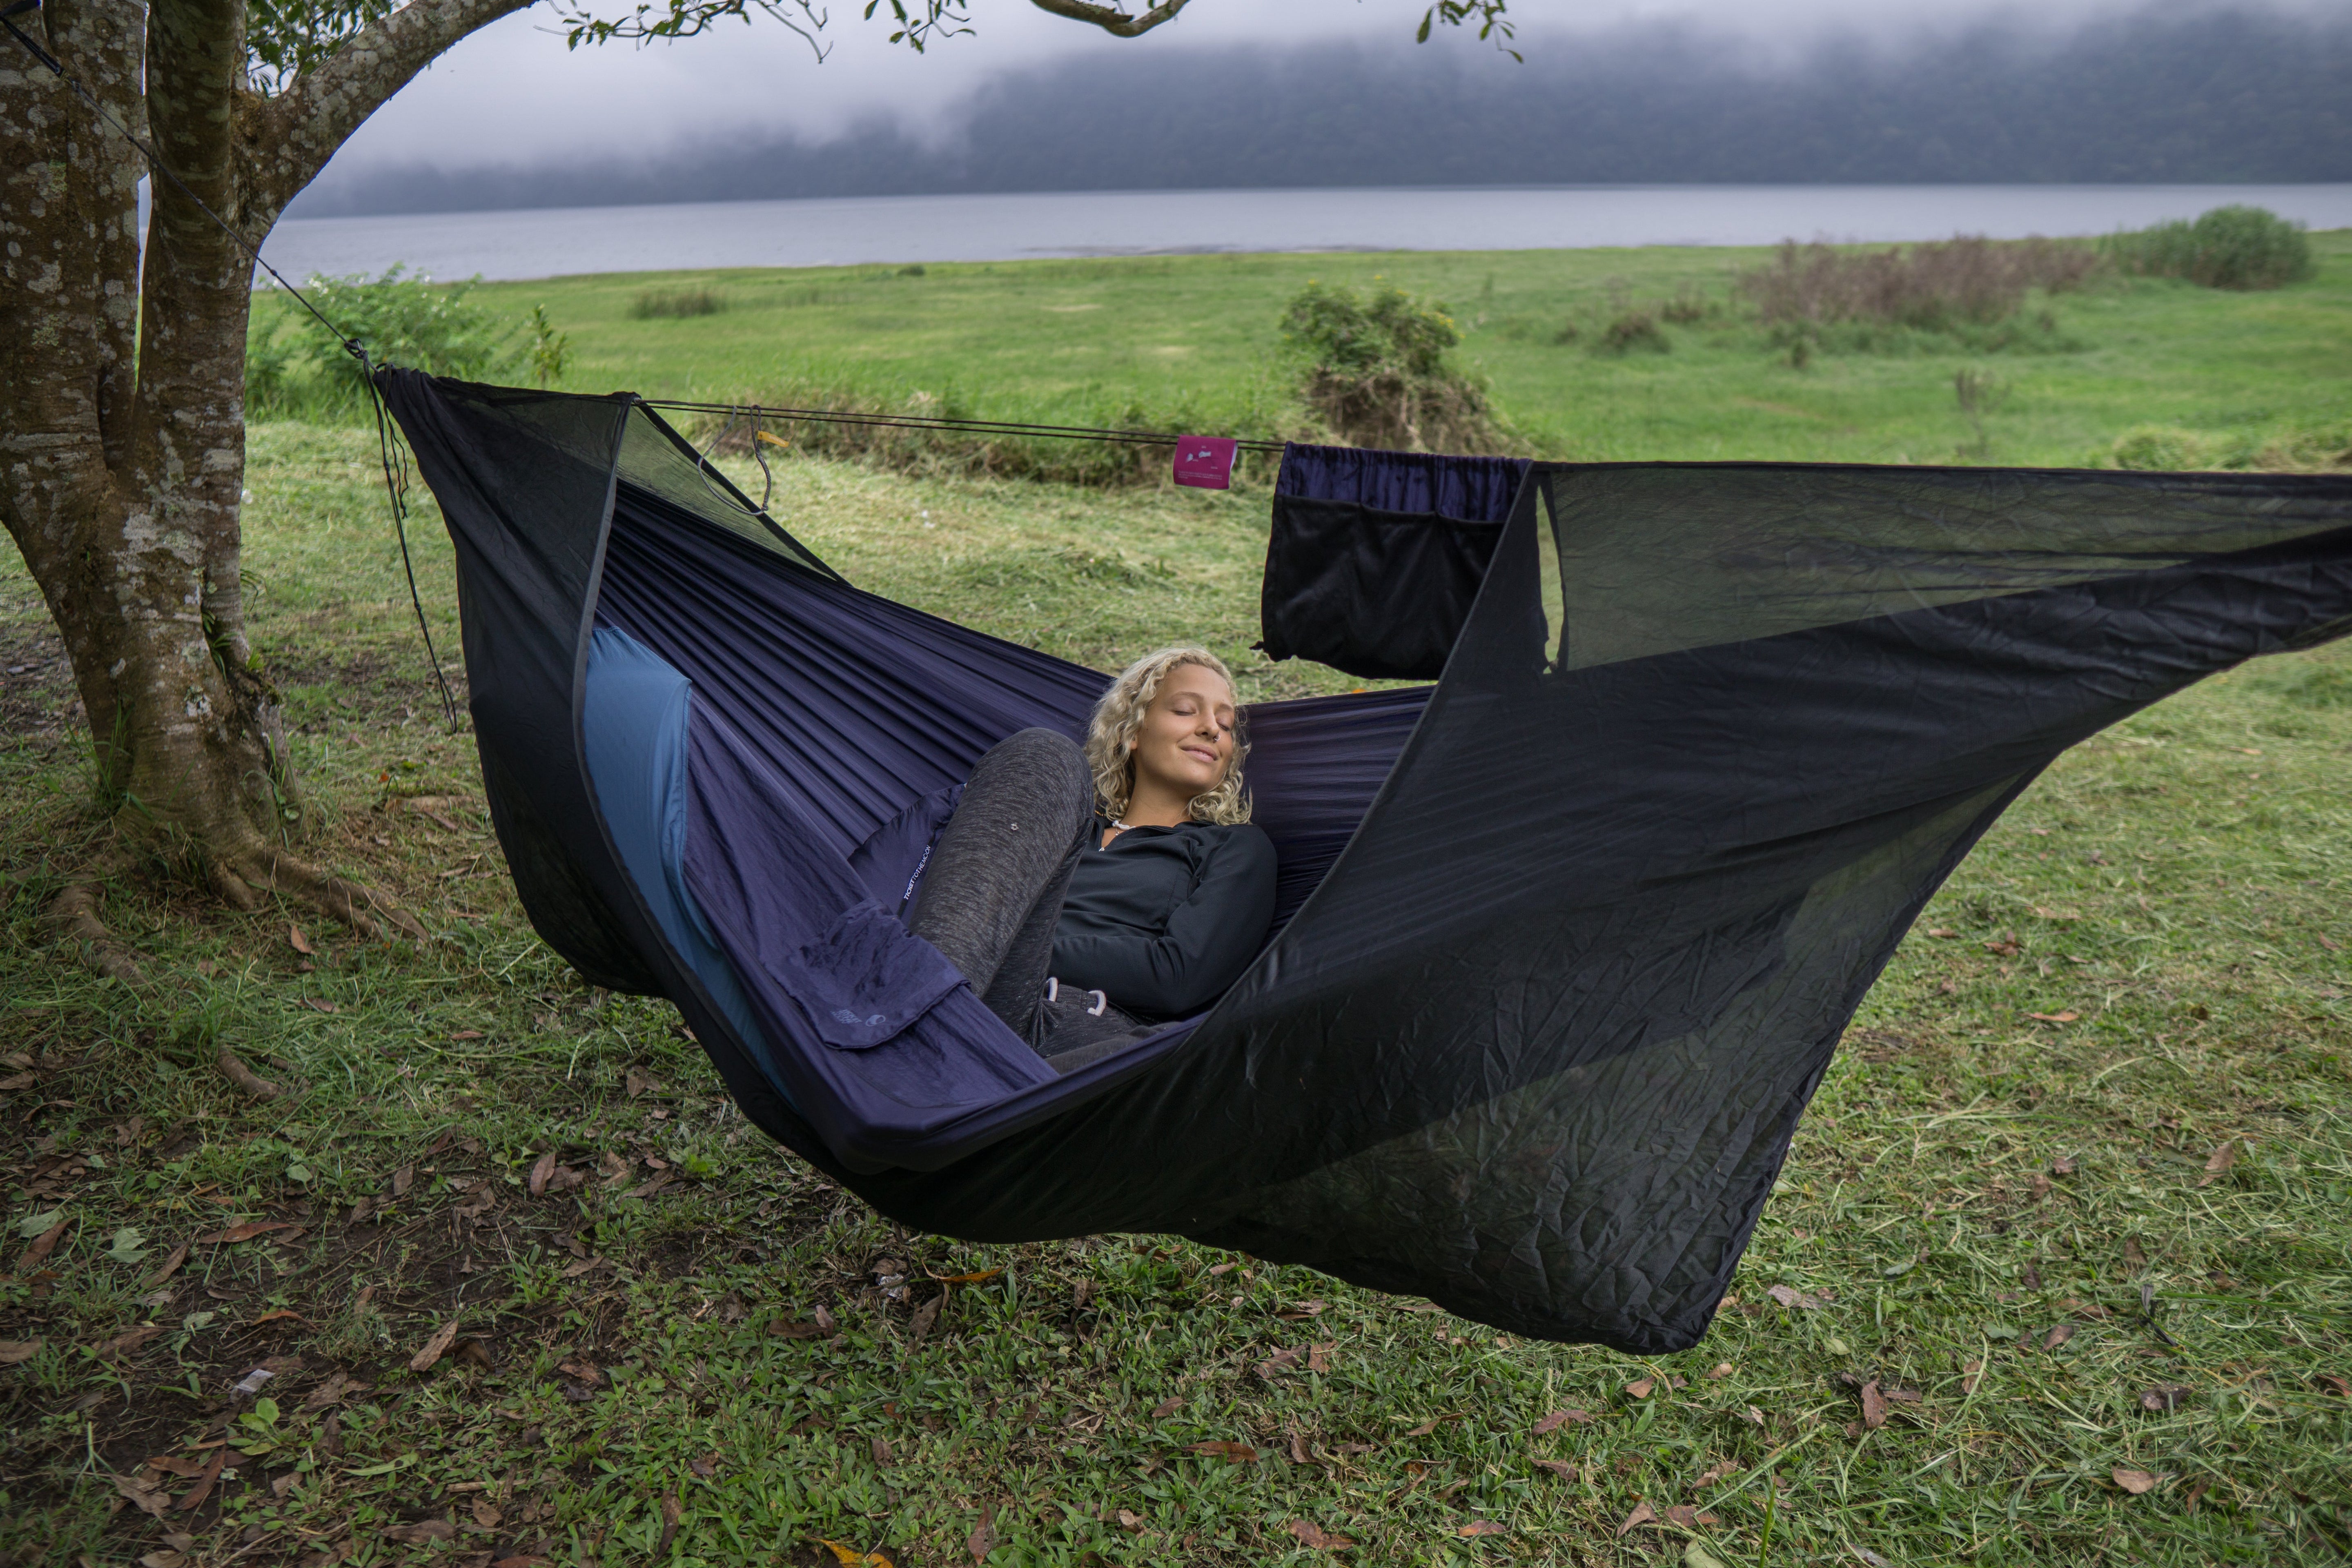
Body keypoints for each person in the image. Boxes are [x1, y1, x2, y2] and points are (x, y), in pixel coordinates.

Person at [906, 646, 1278, 1070]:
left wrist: (1003, 943)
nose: (1212, 729)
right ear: (1131, 732)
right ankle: (918, 1008)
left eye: (1226, 724)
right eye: (1185, 710)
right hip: (965, 998)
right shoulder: (1066, 827)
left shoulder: (1234, 848)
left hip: (1060, 1033)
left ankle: (918, 1008)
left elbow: (1177, 976)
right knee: (1043, 753)